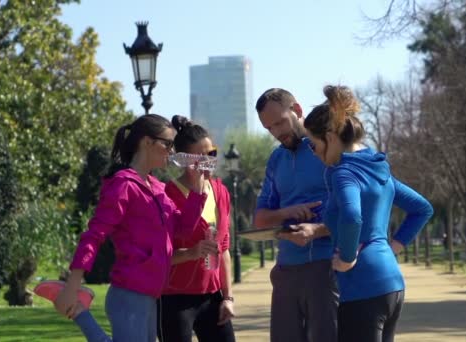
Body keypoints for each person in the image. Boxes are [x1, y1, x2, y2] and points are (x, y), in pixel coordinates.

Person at [38, 114, 201, 342]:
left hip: (152, 294)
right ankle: (77, 308)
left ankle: (80, 311)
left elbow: (183, 231)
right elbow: (94, 235)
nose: (171, 152)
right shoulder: (123, 185)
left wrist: (197, 190)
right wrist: (73, 283)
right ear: (147, 142)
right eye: (167, 144)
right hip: (130, 293)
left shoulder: (158, 188)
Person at [303, 85, 434, 342]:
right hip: (392, 285)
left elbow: (352, 216)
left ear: (330, 137)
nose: (314, 152)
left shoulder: (344, 173)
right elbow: (422, 209)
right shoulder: (377, 168)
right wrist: (391, 247)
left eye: (313, 144)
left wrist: (349, 258)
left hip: (363, 289)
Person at [254, 88, 338, 342]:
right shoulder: (276, 159)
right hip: (286, 271)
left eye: (280, 122)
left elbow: (356, 212)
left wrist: (317, 230)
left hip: (328, 267)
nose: (277, 132)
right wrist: (285, 212)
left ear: (298, 111)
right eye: (270, 128)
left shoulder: (329, 149)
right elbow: (260, 219)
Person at [157, 115, 236, 342]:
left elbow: (224, 249)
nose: (207, 162)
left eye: (211, 154)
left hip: (212, 298)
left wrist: (227, 298)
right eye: (199, 158)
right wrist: (192, 253)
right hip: (174, 299)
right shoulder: (166, 196)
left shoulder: (221, 191)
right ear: (183, 160)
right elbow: (161, 255)